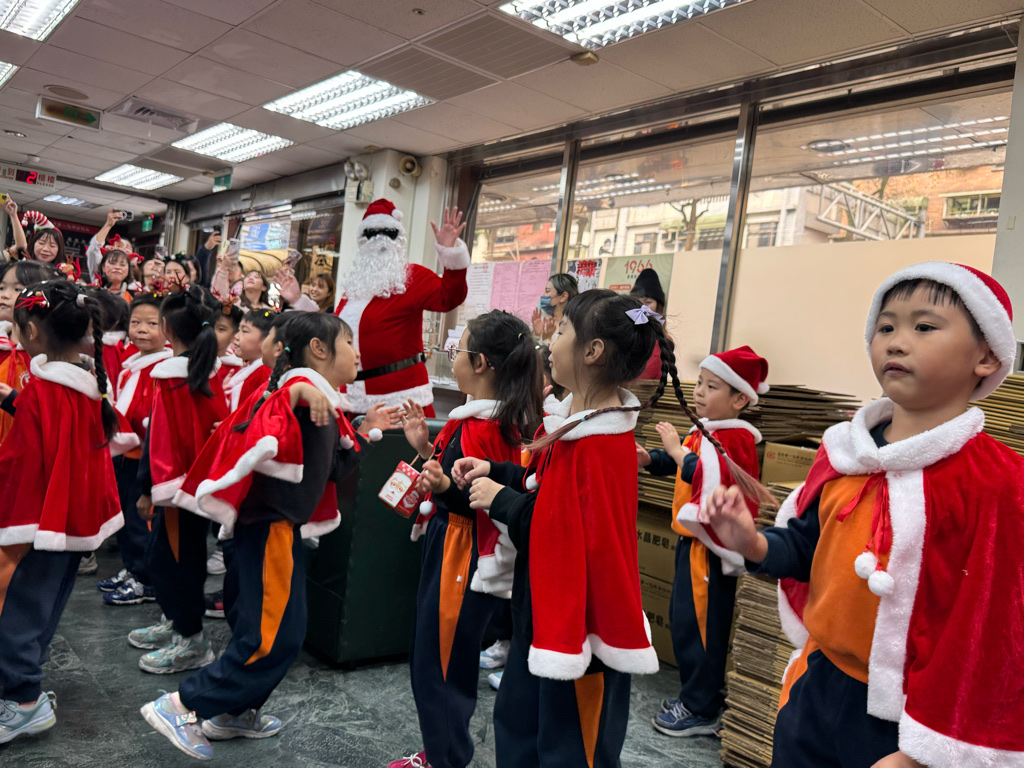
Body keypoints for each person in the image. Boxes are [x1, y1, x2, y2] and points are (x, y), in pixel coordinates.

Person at [703, 262, 1024, 768]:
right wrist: (753, 543)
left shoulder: (995, 483)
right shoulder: (846, 455)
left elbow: (991, 633)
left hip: (906, 723)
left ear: (986, 356)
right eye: (886, 326)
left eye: (924, 326)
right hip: (817, 686)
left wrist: (919, 755)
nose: (896, 342)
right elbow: (806, 548)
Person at [453, 291, 725, 767]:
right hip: (546, 610)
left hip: (584, 627)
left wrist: (501, 500)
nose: (550, 340)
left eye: (561, 330)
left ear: (593, 351)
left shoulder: (599, 444)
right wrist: (498, 472)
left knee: (571, 747)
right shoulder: (581, 428)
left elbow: (558, 527)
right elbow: (544, 488)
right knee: (520, 727)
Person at [142, 313, 391, 760]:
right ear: (319, 349)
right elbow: (263, 424)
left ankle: (235, 712)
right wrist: (295, 391)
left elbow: (332, 470)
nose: (358, 353)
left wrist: (367, 430)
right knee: (270, 638)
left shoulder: (320, 400)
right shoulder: (296, 393)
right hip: (268, 531)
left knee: (278, 632)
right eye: (349, 342)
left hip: (279, 533)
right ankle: (181, 705)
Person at [389, 310, 543, 768]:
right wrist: (424, 450)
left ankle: (445, 758)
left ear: (480, 364)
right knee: (437, 653)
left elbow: (479, 499)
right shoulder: (478, 417)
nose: (450, 358)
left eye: (456, 351)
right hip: (450, 542)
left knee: (439, 661)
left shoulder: (488, 426)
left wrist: (442, 487)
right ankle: (441, 752)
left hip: (463, 550)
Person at [0, 280, 122, 745]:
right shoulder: (86, 383)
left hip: (38, 523)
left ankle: (22, 702)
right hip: (71, 521)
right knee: (43, 606)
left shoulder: (45, 389)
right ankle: (25, 685)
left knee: (18, 607)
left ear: (31, 331)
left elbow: (23, 460)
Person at [638, 345, 768, 737]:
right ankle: (694, 694)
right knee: (685, 622)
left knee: (702, 627)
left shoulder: (737, 439)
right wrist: (653, 459)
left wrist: (677, 453)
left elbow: (708, 475)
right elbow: (683, 463)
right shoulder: (706, 431)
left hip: (712, 548)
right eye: (700, 383)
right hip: (692, 544)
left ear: (740, 399)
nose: (699, 392)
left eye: (712, 387)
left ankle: (701, 707)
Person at [278, 200, 470, 416]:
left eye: (389, 233)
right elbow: (332, 329)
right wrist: (298, 299)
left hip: (402, 401)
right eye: (370, 234)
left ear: (398, 237)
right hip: (353, 401)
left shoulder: (412, 277)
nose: (380, 240)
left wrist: (450, 253)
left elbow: (450, 298)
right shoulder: (355, 287)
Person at [127, 284, 228, 675]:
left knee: (176, 564)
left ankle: (191, 640)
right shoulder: (204, 371)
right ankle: (176, 622)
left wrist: (147, 490)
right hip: (193, 486)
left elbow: (159, 442)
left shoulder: (174, 378)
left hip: (176, 489)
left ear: (167, 330)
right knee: (172, 558)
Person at [98, 292, 173, 606]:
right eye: (136, 322)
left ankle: (146, 580)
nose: (141, 329)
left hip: (146, 458)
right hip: (127, 455)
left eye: (152, 324)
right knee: (127, 520)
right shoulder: (133, 364)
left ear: (168, 328)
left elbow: (151, 417)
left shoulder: (163, 368)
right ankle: (132, 568)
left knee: (142, 521)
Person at [0, 261, 58, 443]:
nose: (4, 295)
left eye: (17, 289)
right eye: (2, 288)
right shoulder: (3, 345)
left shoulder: (46, 356)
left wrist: (13, 400)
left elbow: (49, 418)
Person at [224, 308, 275, 413]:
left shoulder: (263, 374)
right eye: (239, 330)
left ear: (266, 340)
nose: (236, 336)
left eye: (245, 331)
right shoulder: (253, 370)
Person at [630, 268, 669, 380]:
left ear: (658, 307)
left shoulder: (664, 340)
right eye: (638, 302)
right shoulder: (624, 332)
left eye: (648, 302)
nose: (642, 307)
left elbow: (647, 373)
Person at [531, 273, 578, 345]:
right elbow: (531, 349)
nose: (543, 295)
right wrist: (536, 335)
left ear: (563, 297)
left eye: (547, 291)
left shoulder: (575, 325)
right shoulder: (542, 319)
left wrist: (547, 339)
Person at [87, 209, 131, 279]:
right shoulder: (100, 271)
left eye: (126, 247)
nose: (117, 267)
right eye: (113, 262)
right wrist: (108, 225)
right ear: (103, 267)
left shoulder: (136, 283)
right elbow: (94, 248)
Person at [212, 303, 245, 392]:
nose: (212, 332)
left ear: (235, 335)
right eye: (210, 326)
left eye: (221, 329)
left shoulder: (235, 371)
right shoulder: (192, 360)